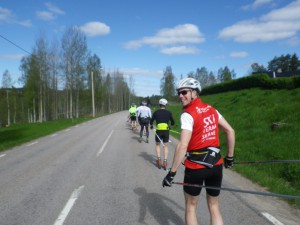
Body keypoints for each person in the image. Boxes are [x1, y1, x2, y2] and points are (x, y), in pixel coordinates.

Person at [162, 78, 235, 225]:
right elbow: (230, 131)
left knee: (190, 207)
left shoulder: (188, 114)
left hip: (196, 168)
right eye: (178, 93)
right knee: (214, 206)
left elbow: (182, 145)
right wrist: (229, 157)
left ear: (194, 92)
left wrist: (172, 173)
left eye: (184, 92)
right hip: (216, 166)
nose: (180, 96)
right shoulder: (211, 109)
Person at [150, 98, 175, 170]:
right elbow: (173, 122)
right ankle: (165, 161)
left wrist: (151, 125)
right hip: (166, 131)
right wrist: (170, 126)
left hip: (159, 130)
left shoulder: (156, 112)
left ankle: (159, 159)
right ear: (165, 105)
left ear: (159, 104)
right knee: (165, 146)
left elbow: (151, 121)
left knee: (158, 145)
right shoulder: (169, 112)